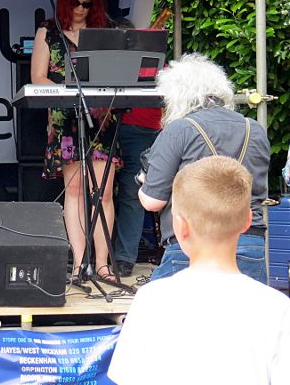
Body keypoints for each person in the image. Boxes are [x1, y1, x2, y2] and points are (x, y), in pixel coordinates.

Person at [108, 156, 290, 384]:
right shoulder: (276, 307)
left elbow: (127, 377)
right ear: (248, 221)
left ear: (180, 226)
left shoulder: (152, 299)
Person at [139, 53, 269, 283]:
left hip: (192, 245)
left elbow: (152, 201)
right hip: (250, 242)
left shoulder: (179, 130)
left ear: (177, 96)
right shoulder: (255, 129)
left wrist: (142, 181)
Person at [30, 0, 119, 282]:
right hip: (64, 118)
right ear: (65, 0)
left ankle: (104, 264)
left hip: (101, 117)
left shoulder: (104, 32)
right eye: (76, 2)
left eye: (87, 3)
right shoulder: (49, 31)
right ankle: (81, 263)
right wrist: (66, 91)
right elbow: (38, 77)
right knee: (76, 189)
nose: (81, 8)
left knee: (104, 190)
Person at [113, 108, 162, 277]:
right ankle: (124, 257)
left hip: (162, 126)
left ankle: (125, 257)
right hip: (130, 125)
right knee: (132, 190)